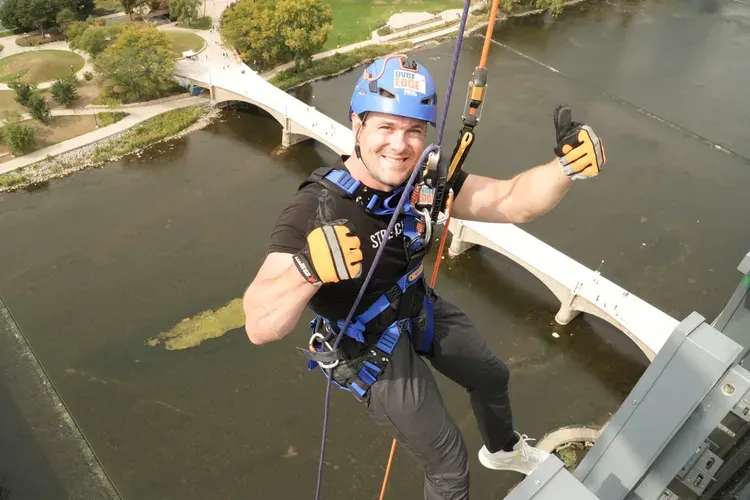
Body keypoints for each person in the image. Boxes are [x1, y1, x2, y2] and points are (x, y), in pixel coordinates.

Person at [242, 55, 606, 499]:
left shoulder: (424, 183)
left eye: (414, 130)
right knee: (449, 466)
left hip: (415, 304)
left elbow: (512, 200)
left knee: (491, 376)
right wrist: (308, 270)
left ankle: (504, 450)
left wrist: (565, 168)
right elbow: (259, 325)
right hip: (366, 344)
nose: (400, 145)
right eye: (386, 127)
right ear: (357, 125)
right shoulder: (316, 209)